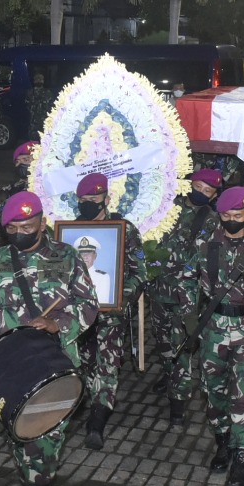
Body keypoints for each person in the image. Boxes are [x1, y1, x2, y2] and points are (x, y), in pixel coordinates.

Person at [0, 191, 99, 486]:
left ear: (43, 223)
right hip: (13, 367)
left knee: (46, 430)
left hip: (55, 363)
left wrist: (57, 322)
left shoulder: (67, 257)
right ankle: (35, 478)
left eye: (28, 226)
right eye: (13, 229)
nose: (21, 233)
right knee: (18, 430)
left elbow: (88, 306)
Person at [180, 186, 244, 486]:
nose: (232, 221)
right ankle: (222, 441)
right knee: (213, 393)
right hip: (212, 329)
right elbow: (187, 280)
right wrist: (189, 319)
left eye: (238, 215)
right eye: (226, 216)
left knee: (243, 393)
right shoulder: (207, 242)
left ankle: (241, 456)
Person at [69, 172, 146, 449]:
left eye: (94, 199)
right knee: (82, 364)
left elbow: (140, 272)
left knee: (107, 366)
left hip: (110, 317)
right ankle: (85, 402)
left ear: (107, 199)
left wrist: (121, 297)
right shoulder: (68, 232)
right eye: (83, 200)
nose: (89, 204)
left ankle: (97, 421)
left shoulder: (124, 229)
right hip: (76, 318)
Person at [154, 168, 222, 422]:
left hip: (188, 296)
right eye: (199, 187)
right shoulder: (165, 208)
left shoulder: (212, 219)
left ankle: (178, 403)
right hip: (159, 288)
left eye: (209, 192)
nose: (202, 194)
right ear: (190, 184)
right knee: (162, 338)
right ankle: (169, 373)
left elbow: (207, 258)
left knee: (182, 344)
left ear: (214, 196)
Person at [0, 141, 38, 220]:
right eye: (18, 161)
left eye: (26, 159)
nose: (20, 164)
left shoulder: (50, 187)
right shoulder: (10, 190)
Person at [76, 236, 113, 304]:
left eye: (88, 253)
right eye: (82, 253)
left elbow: (102, 304)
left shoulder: (103, 277)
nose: (85, 257)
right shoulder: (71, 276)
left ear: (95, 256)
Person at [27, 72, 55, 140]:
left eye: (40, 79)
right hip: (34, 123)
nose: (39, 81)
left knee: (45, 141)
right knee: (33, 142)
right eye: (37, 79)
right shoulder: (30, 93)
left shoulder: (48, 93)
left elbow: (52, 106)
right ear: (34, 81)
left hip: (44, 122)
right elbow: (27, 105)